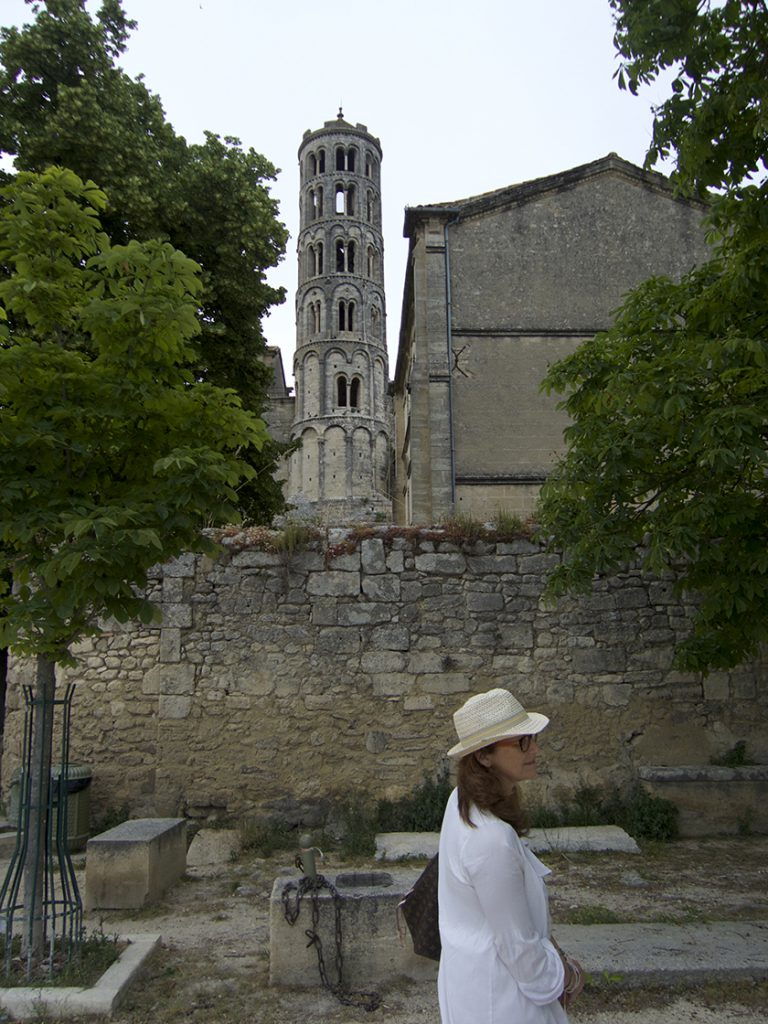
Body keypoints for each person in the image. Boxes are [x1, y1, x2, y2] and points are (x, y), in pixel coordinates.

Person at [438, 687, 583, 1023]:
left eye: (531, 737)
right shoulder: (490, 840)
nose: (535, 748)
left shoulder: (462, 801)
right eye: (521, 742)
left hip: (476, 986)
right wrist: (566, 976)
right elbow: (521, 952)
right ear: (484, 756)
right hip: (503, 1002)